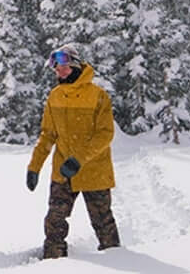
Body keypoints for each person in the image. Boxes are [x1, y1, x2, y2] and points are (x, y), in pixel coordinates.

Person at [25, 45, 121, 258]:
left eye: (64, 68)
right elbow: (48, 135)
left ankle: (117, 261)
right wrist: (34, 167)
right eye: (57, 69)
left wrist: (78, 159)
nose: (60, 72)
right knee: (55, 220)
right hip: (63, 171)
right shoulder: (55, 96)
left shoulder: (98, 96)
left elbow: (105, 134)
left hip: (94, 170)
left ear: (76, 66)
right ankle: (53, 261)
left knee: (103, 221)